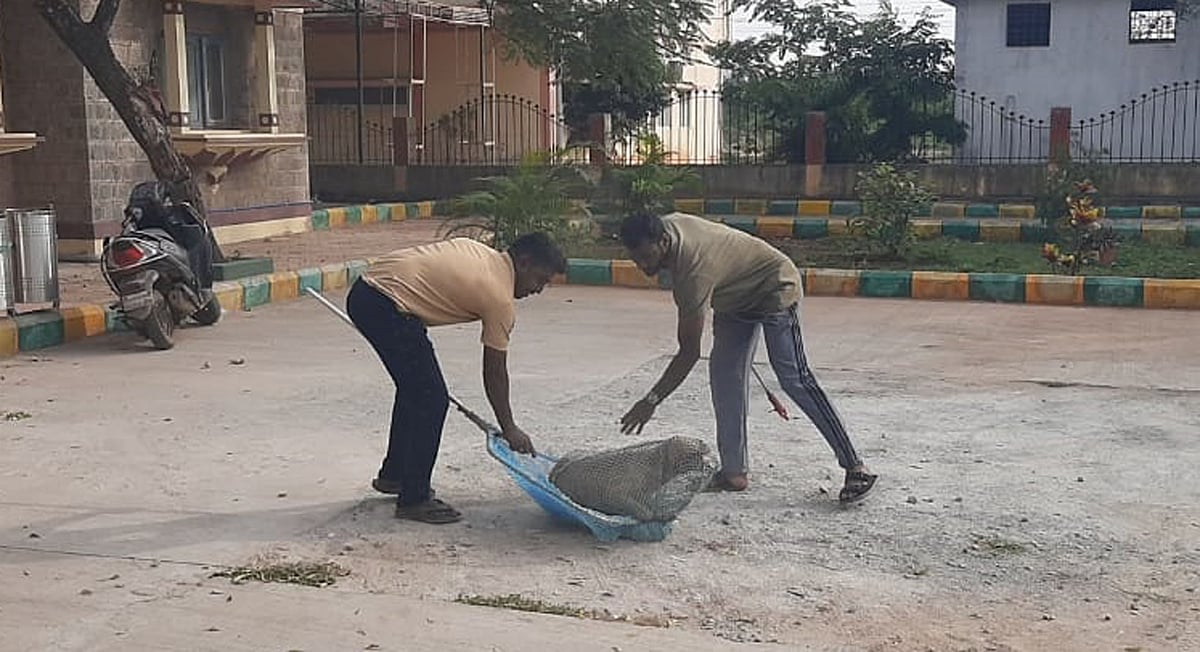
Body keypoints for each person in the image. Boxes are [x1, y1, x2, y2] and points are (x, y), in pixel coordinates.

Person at [616, 211, 877, 503]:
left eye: (646, 257)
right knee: (725, 376)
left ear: (664, 241)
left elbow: (689, 352)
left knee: (794, 379)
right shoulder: (664, 227)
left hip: (775, 285)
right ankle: (734, 472)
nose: (642, 266)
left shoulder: (693, 271)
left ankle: (856, 466)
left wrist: (651, 400)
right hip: (735, 298)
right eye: (635, 259)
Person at [346, 232, 567, 524]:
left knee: (416, 390)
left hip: (369, 290)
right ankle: (414, 498)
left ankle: (395, 475)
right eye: (540, 279)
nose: (539, 289)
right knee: (432, 399)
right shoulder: (499, 297)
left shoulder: (482, 253)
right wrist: (509, 427)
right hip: (387, 303)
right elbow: (494, 371)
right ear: (524, 263)